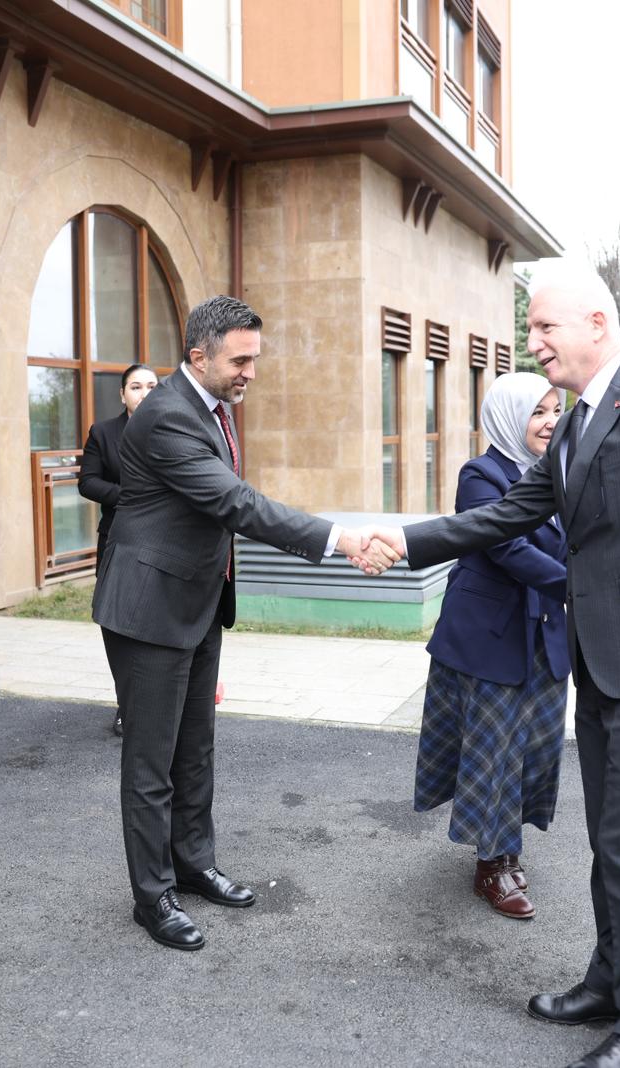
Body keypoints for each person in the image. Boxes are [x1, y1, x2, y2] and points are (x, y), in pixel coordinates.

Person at [365, 265, 620, 1068]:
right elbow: (506, 513)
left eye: (545, 326)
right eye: (530, 327)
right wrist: (405, 540)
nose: (532, 341)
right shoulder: (576, 423)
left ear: (597, 324)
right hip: (604, 667)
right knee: (612, 841)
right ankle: (610, 982)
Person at [93, 295, 389, 953]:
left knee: (194, 749)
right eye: (240, 360)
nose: (251, 371)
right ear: (199, 355)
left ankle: (193, 865)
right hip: (148, 610)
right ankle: (153, 896)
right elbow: (236, 502)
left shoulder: (212, 405)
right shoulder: (167, 416)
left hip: (197, 603)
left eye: (255, 358)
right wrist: (339, 538)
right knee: (151, 763)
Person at [415, 373, 568, 921]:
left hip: (545, 631)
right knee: (494, 749)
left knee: (533, 747)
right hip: (491, 637)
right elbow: (507, 546)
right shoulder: (481, 474)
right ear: (509, 417)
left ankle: (508, 849)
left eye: (556, 410)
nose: (550, 422)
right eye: (537, 412)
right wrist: (579, 587)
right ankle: (490, 865)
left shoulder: (558, 472)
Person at [80, 363, 158, 738]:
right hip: (118, 540)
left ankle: (158, 705)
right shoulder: (104, 432)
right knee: (119, 628)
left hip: (165, 542)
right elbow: (88, 482)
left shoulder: (174, 429)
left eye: (152, 386)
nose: (144, 393)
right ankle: (127, 707)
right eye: (136, 387)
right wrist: (130, 497)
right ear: (122, 394)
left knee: (157, 628)